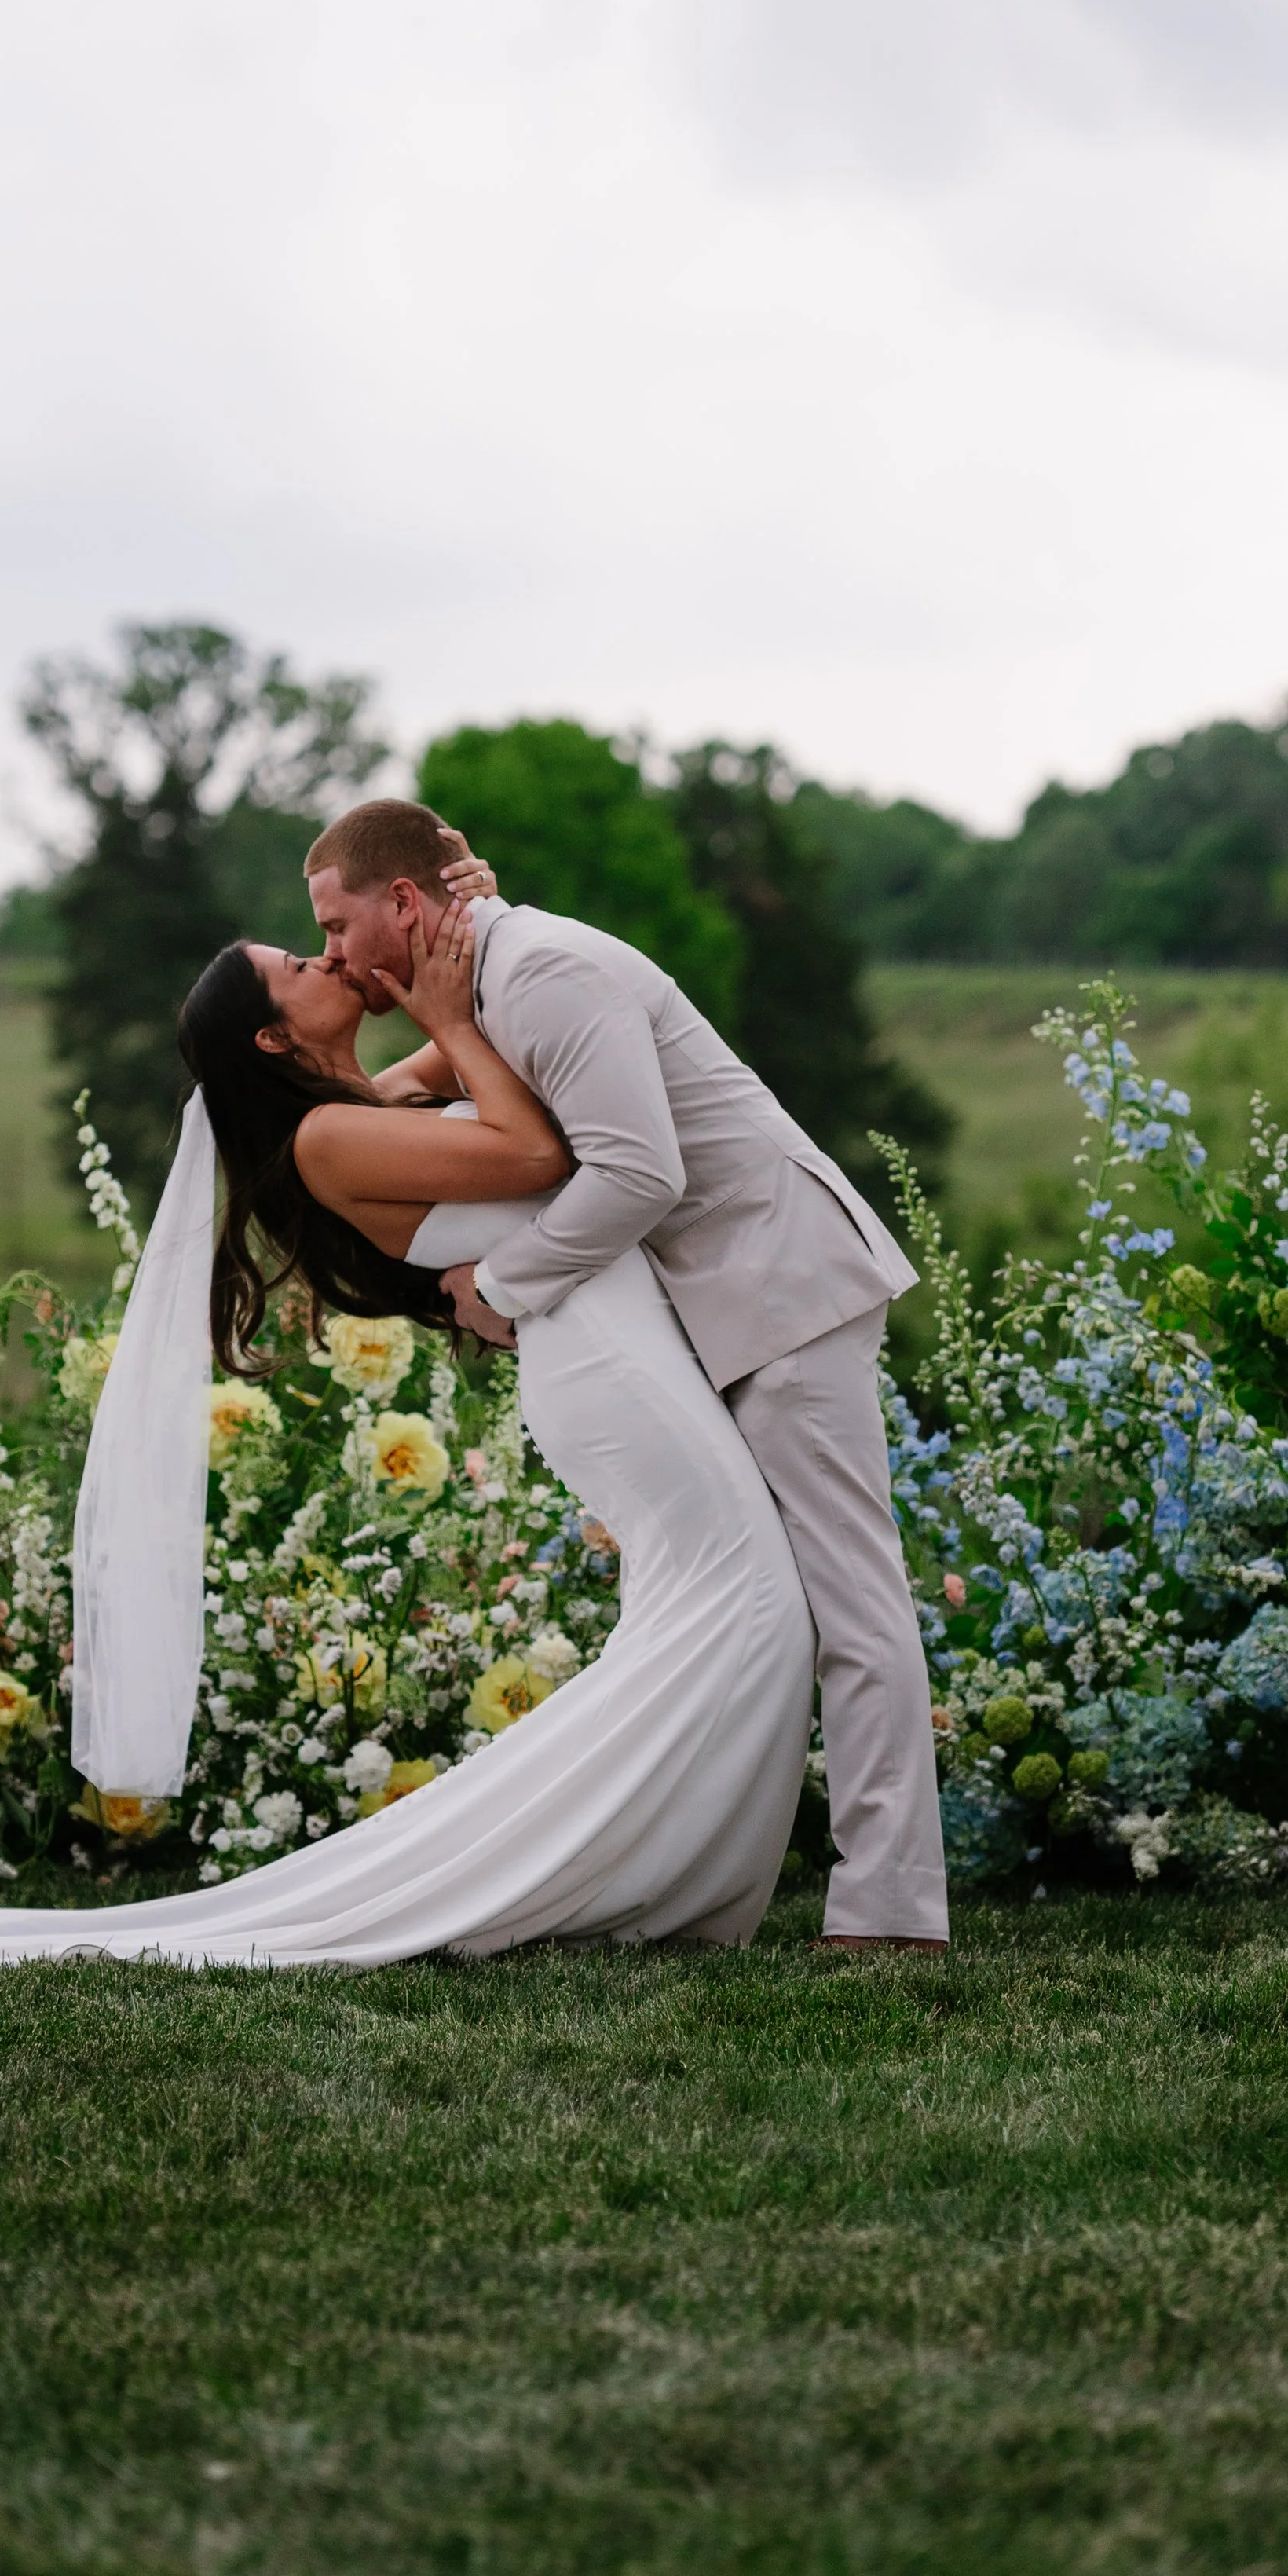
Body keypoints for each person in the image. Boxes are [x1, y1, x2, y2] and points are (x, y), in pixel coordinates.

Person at [0, 879, 821, 1968]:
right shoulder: (327, 1143)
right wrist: (440, 1012)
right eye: (299, 966)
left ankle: (647, 1863)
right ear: (273, 1034)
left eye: (320, 940)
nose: (324, 958)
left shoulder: (361, 1103)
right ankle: (626, 1864)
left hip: (610, 1352)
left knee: (735, 1605)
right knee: (756, 1599)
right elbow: (538, 1155)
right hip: (604, 1370)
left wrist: (460, 920)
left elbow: (470, 1028)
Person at [305, 802, 947, 1954]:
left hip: (782, 1284)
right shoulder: (489, 982)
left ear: (404, 902)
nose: (334, 951)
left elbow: (639, 1172)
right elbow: (426, 1097)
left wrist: (500, 1288)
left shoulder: (542, 969)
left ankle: (893, 1915)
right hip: (733, 1304)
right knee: (807, 1603)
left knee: (853, 1602)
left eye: (336, 922)